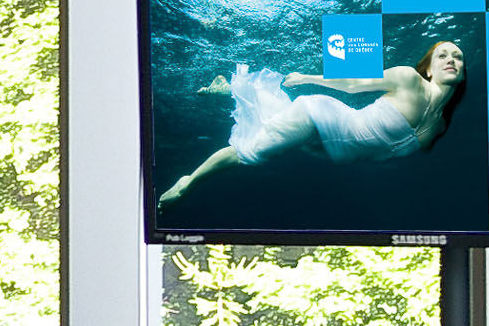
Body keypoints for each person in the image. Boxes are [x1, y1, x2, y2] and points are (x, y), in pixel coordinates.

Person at [158, 40, 465, 209]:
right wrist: (307, 78)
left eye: (458, 56)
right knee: (251, 154)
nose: (451, 59)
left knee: (274, 120)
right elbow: (353, 84)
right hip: (321, 116)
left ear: (463, 70)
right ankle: (188, 183)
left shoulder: (438, 126)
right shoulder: (408, 79)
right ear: (428, 66)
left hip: (328, 149)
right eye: (442, 55)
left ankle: (229, 88)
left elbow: (381, 153)